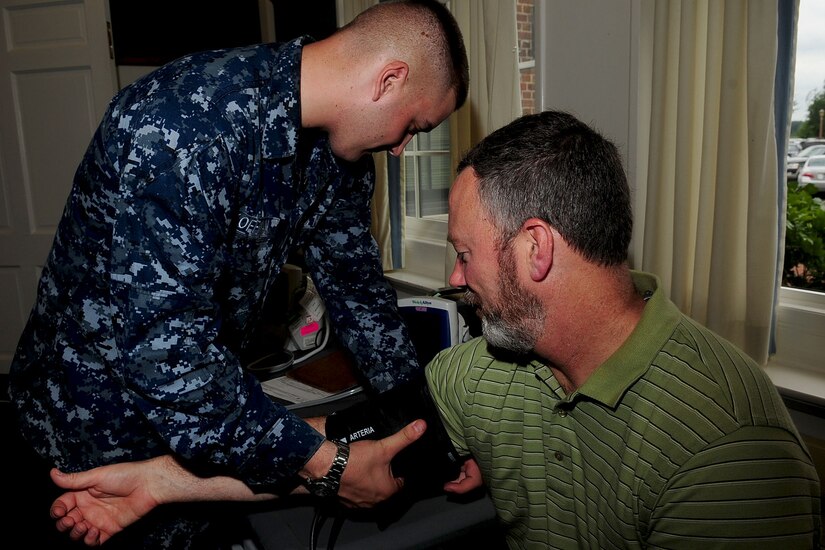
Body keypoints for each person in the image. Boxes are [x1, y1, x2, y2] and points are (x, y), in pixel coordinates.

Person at [47, 111, 822, 548]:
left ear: (536, 250)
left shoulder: (727, 445)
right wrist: (157, 482)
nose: (453, 281)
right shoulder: (486, 372)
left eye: (462, 254)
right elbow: (338, 451)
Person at [9, 0, 468, 547]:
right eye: (412, 125)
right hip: (94, 423)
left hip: (208, 418)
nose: (401, 148)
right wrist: (326, 464)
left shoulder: (339, 158)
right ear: (388, 80)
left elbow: (359, 291)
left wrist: (430, 432)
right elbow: (172, 363)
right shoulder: (186, 125)